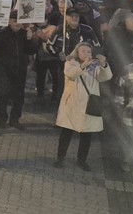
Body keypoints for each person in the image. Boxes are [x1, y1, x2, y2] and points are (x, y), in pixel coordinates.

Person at [54, 42, 111, 171]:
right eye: (83, 51)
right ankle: (60, 158)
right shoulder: (70, 63)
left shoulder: (95, 66)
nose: (86, 54)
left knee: (87, 135)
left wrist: (104, 65)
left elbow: (106, 77)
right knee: (66, 132)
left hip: (89, 105)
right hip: (72, 103)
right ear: (77, 52)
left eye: (89, 52)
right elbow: (70, 74)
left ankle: (82, 160)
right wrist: (83, 65)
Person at [0, 13, 37, 130]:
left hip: (20, 69)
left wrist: (30, 39)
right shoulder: (1, 34)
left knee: (19, 95)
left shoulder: (24, 34)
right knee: (4, 93)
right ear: (9, 21)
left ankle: (15, 119)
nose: (17, 23)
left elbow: (31, 51)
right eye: (14, 21)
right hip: (4, 69)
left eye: (19, 21)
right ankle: (2, 119)